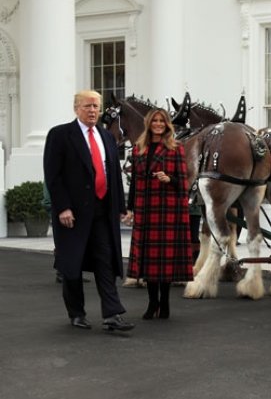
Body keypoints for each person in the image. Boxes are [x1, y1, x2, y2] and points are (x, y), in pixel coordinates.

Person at [43, 90, 135, 331]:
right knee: (72, 264)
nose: (93, 110)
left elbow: (112, 173)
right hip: (72, 214)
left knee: (105, 261)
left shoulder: (106, 137)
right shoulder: (61, 135)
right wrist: (62, 207)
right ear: (76, 108)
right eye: (87, 106)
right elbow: (53, 176)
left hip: (102, 211)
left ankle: (112, 314)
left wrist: (121, 208)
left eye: (96, 106)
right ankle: (76, 313)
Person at [125, 108, 193, 320]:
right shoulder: (138, 149)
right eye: (154, 121)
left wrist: (169, 179)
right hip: (145, 208)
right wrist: (130, 209)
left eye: (161, 121)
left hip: (167, 210)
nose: (158, 124)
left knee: (165, 260)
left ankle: (164, 303)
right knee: (149, 260)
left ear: (167, 125)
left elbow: (184, 184)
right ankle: (152, 302)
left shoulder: (176, 148)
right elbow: (135, 182)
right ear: (149, 123)